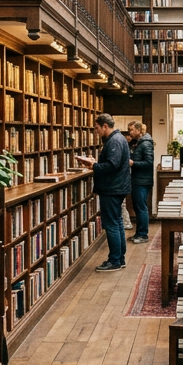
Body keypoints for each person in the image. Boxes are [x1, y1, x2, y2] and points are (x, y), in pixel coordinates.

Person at [77, 113, 131, 271]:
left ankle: (115, 260)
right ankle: (119, 258)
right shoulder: (119, 138)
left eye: (97, 128)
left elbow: (111, 165)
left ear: (105, 126)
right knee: (117, 222)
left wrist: (93, 165)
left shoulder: (114, 141)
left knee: (112, 224)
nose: (96, 131)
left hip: (112, 188)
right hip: (117, 187)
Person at [127, 121, 155, 244]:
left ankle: (143, 235)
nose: (130, 132)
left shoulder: (146, 144)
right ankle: (139, 233)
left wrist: (133, 163)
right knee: (138, 207)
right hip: (137, 179)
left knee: (141, 208)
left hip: (142, 181)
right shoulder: (137, 143)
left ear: (139, 130)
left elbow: (149, 163)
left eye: (132, 130)